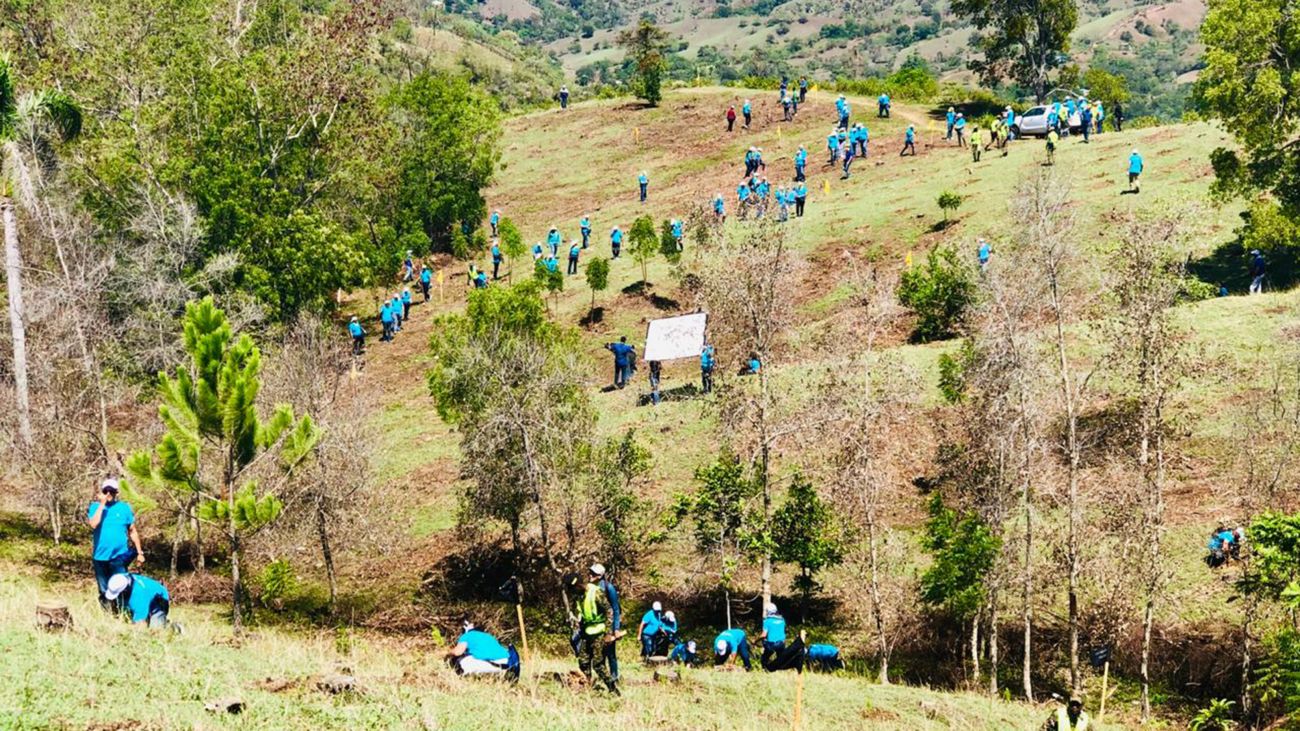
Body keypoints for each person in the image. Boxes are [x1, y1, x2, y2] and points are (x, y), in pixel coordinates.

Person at [87, 478, 143, 612]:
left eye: (111, 491)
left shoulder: (124, 508)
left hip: (119, 557)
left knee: (121, 586)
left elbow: (133, 531)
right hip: (100, 557)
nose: (108, 494)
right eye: (106, 490)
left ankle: (122, 613)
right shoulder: (95, 507)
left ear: (116, 492)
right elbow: (93, 524)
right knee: (103, 589)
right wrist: (102, 504)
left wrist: (140, 552)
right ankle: (107, 615)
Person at [565, 570, 619, 695]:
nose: (572, 593)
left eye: (572, 590)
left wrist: (609, 633)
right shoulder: (579, 596)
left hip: (599, 632)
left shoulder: (595, 592)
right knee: (583, 661)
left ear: (577, 586)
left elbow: (609, 610)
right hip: (586, 632)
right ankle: (586, 686)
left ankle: (613, 689)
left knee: (598, 664)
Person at [104, 572, 178, 631]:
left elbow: (140, 625)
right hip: (144, 593)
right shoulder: (120, 578)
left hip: (159, 599)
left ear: (124, 590)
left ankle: (173, 627)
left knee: (155, 630)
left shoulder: (138, 596)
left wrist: (125, 630)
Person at [449, 620, 518, 679]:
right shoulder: (489, 636)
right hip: (505, 665)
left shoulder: (467, 635)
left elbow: (457, 652)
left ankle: (462, 679)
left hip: (490, 664)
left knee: (457, 661)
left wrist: (447, 653)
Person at [592, 563, 624, 681]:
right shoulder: (590, 587)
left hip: (608, 625)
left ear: (600, 575)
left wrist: (616, 628)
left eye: (593, 573)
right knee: (598, 654)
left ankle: (614, 677)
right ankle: (603, 677)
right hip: (594, 625)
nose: (590, 575)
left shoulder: (608, 587)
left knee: (610, 653)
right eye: (590, 572)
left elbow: (616, 609)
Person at [759, 603, 787, 668]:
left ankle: (765, 668)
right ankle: (781, 669)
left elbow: (764, 635)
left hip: (771, 644)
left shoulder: (767, 621)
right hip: (781, 643)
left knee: (765, 657)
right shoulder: (782, 620)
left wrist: (756, 640)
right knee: (781, 658)